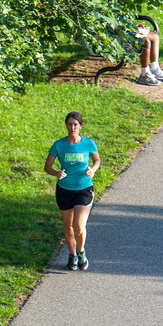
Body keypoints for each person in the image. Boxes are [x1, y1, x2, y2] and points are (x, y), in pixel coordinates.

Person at [45, 111, 100, 271]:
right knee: (68, 226)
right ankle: (72, 256)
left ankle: (81, 252)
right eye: (69, 124)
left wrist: (93, 170)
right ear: (66, 126)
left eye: (75, 124)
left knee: (79, 226)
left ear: (80, 126)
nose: (72, 127)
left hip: (84, 189)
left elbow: (97, 159)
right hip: (64, 190)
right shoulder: (59, 145)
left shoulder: (89, 144)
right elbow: (47, 166)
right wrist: (56, 172)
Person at [136, 22, 163, 86]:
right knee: (145, 41)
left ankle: (154, 69)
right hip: (122, 34)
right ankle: (144, 74)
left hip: (129, 30)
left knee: (154, 36)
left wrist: (136, 26)